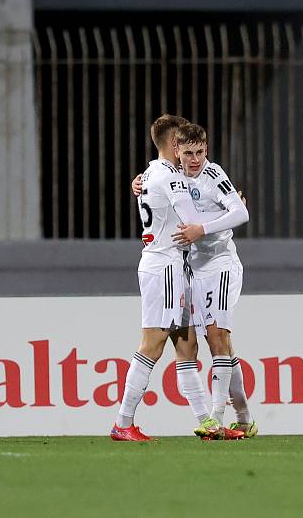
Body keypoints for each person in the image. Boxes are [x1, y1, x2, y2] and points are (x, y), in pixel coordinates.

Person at [110, 115, 244, 442]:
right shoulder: (169, 177)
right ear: (175, 145)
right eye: (183, 143)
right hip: (165, 266)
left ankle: (208, 425)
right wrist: (231, 210)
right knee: (152, 345)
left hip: (172, 266)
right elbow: (193, 221)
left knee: (187, 347)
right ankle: (123, 422)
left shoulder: (152, 173)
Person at [170, 123, 257, 438]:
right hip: (193, 268)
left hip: (221, 265)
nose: (194, 159)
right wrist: (138, 184)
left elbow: (241, 214)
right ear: (177, 151)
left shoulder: (213, 175)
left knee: (216, 336)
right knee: (207, 342)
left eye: (199, 152)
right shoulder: (172, 176)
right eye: (188, 153)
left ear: (206, 151)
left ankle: (217, 420)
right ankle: (244, 417)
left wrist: (200, 229)